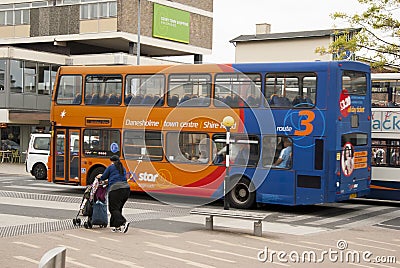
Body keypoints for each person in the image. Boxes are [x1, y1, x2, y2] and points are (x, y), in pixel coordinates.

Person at [99, 155, 131, 233]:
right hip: (126, 189)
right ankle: (117, 227)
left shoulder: (111, 167)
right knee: (118, 208)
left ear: (112, 161)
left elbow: (103, 177)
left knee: (113, 209)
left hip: (116, 189)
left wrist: (100, 177)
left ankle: (124, 222)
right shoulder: (122, 168)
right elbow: (119, 178)